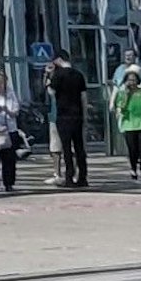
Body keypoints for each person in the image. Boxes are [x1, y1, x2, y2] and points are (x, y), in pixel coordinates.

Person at [47, 51, 89, 187]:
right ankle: (83, 176)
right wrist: (85, 115)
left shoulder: (58, 75)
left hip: (63, 115)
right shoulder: (78, 75)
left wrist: (49, 78)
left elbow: (52, 93)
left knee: (66, 148)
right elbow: (83, 97)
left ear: (59, 60)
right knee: (79, 147)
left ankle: (69, 177)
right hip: (77, 115)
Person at [114, 70, 141, 184]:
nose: (131, 82)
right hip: (129, 125)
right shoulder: (122, 94)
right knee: (133, 150)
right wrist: (127, 94)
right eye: (129, 80)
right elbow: (120, 108)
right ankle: (133, 168)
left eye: (133, 80)